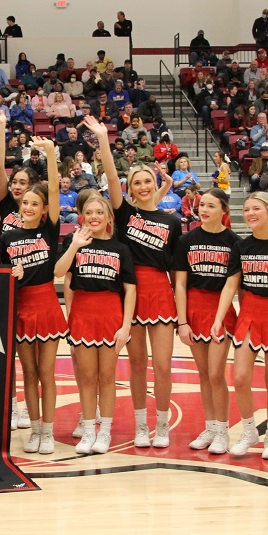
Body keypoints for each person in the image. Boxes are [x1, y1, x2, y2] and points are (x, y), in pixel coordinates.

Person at [97, 115, 182, 449]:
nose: (143, 187)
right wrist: (105, 139)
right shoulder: (126, 214)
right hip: (130, 294)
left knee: (161, 365)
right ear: (130, 189)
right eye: (137, 183)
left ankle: (162, 425)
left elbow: (177, 270)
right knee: (135, 365)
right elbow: (112, 177)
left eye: (148, 181)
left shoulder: (171, 222)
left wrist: (181, 309)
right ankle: (140, 424)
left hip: (161, 292)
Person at [211, 192, 268, 459]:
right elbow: (231, 284)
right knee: (240, 378)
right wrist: (218, 318)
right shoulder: (242, 246)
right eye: (247, 209)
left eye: (256, 209)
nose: (250, 213)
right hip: (249, 313)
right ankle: (250, 430)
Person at [0, 134, 64, 455]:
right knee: (28, 372)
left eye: (34, 204)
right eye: (25, 202)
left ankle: (48, 431)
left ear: (44, 209)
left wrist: (50, 152)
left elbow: (53, 188)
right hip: (21, 307)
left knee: (47, 373)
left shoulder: (48, 230)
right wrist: (12, 276)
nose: (27, 207)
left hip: (47, 303)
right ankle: (35, 429)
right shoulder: (8, 236)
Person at [55, 194, 136, 455]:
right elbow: (59, 272)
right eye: (89, 212)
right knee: (88, 377)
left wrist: (126, 326)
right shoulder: (75, 242)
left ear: (108, 218)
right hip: (83, 313)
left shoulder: (121, 249)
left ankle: (106, 432)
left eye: (99, 213)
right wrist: (75, 246)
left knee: (107, 377)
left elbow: (130, 289)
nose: (94, 217)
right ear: (82, 216)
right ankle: (89, 430)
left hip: (110, 314)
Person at [174, 188, 238, 454]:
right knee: (203, 374)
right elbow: (179, 282)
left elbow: (235, 286)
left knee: (216, 373)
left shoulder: (234, 241)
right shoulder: (187, 240)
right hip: (194, 309)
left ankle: (223, 430)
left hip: (219, 309)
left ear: (223, 210)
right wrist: (182, 321)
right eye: (202, 205)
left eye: (211, 205)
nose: (204, 209)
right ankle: (210, 426)